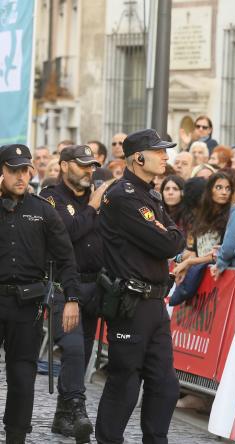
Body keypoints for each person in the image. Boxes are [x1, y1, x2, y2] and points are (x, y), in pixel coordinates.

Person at [95, 129, 186, 443]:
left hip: (154, 302)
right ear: (138, 157)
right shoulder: (124, 196)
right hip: (131, 302)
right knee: (125, 381)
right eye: (159, 151)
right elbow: (169, 242)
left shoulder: (150, 194)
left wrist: (170, 235)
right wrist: (170, 236)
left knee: (165, 384)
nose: (166, 157)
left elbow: (172, 236)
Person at [0, 144, 82, 444]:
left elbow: (66, 258)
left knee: (22, 378)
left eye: (25, 169)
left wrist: (72, 298)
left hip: (27, 306)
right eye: (13, 170)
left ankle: (16, 436)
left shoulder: (42, 210)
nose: (21, 176)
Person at [39, 146, 107, 441]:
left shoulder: (102, 200)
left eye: (92, 166)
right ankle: (78, 410)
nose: (89, 171)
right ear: (65, 166)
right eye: (82, 166)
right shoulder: (50, 197)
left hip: (94, 285)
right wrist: (93, 206)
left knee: (83, 353)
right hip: (64, 286)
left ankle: (61, 416)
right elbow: (69, 232)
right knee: (74, 348)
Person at [173, 172, 232, 284]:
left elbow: (221, 254)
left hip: (220, 276)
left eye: (228, 188)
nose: (224, 192)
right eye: (219, 187)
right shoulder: (199, 217)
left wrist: (188, 262)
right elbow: (192, 250)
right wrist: (180, 263)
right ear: (209, 190)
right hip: (199, 275)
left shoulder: (232, 216)